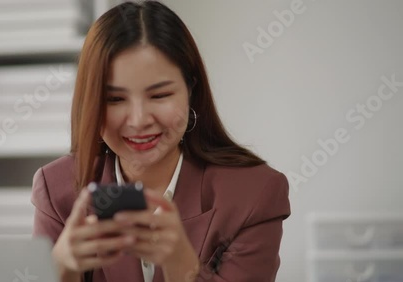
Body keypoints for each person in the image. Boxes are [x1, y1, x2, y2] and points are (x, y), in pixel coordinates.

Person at [31, 1, 291, 282]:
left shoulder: (254, 194)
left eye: (159, 95)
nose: (139, 120)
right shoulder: (56, 189)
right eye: (115, 99)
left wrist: (183, 268)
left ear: (191, 89)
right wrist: (60, 267)